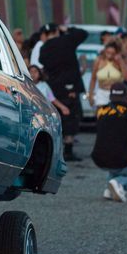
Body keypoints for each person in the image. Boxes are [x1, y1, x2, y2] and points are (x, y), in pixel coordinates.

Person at [39, 24, 88, 162]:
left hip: (55, 88)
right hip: (71, 88)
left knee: (56, 119)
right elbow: (83, 33)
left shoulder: (44, 48)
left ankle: (56, 151)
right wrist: (67, 29)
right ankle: (68, 151)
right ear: (56, 31)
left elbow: (43, 62)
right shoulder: (67, 40)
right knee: (72, 119)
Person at [87, 39, 127, 108]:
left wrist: (121, 61)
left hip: (117, 94)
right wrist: (90, 94)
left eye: (112, 54)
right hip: (102, 93)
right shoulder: (99, 60)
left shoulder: (121, 61)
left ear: (117, 53)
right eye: (108, 53)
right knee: (102, 115)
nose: (109, 56)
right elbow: (93, 79)